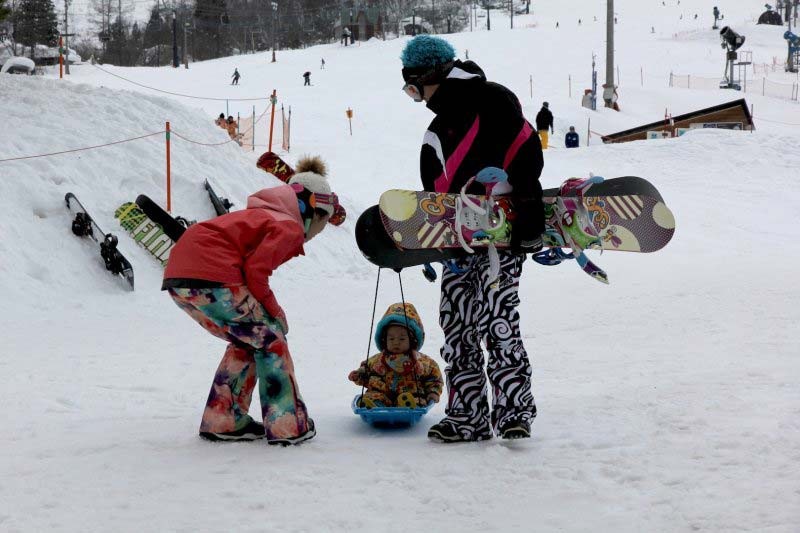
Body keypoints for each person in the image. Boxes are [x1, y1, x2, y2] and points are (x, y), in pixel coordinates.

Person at [400, 35, 544, 443]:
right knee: (458, 326)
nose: (415, 98)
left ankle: (514, 410)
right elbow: (432, 188)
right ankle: (468, 417)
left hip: (502, 237)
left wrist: (526, 204)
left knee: (497, 322)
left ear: (430, 76)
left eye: (414, 88)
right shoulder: (434, 131)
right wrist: (433, 237)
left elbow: (526, 151)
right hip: (457, 244)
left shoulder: (493, 101)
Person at [162, 156, 344, 445]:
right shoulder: (288, 225)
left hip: (180, 280)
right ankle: (287, 425)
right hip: (215, 277)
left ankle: (224, 419)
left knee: (249, 338)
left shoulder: (264, 216)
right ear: (314, 213)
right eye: (320, 226)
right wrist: (276, 312)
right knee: (271, 338)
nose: (314, 235)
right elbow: (256, 273)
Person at [349, 303, 443, 408]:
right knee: (373, 396)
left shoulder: (421, 361)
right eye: (391, 339)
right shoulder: (378, 360)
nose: (396, 342)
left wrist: (433, 392)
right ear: (384, 340)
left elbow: (434, 377)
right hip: (382, 394)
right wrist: (359, 375)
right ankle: (374, 405)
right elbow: (366, 370)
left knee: (416, 400)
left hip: (411, 394)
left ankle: (409, 406)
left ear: (412, 340)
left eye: (402, 338)